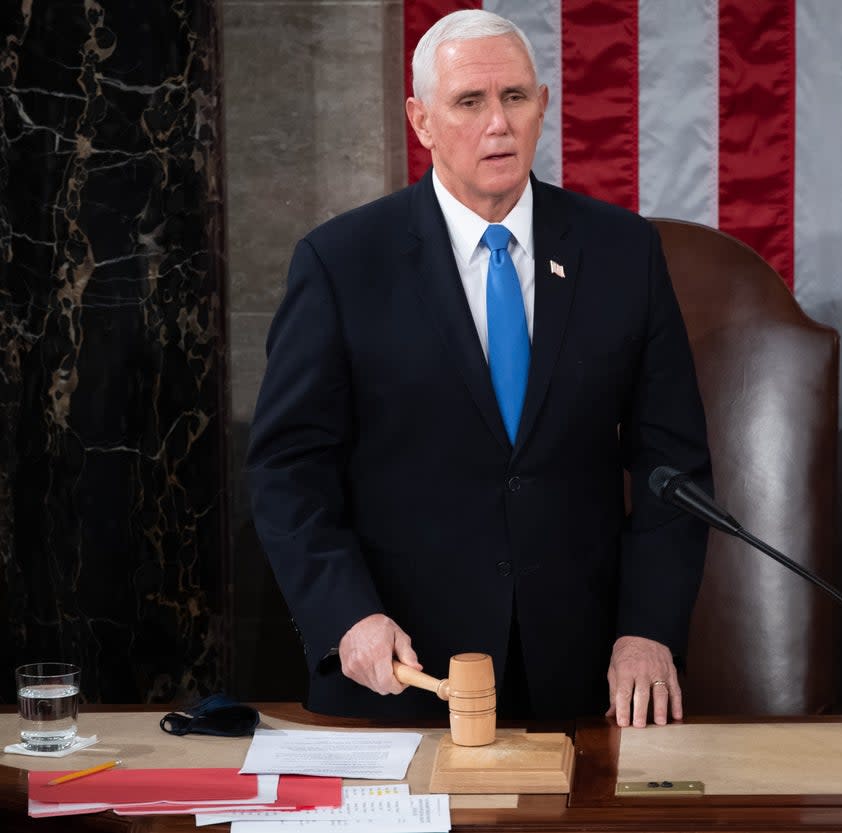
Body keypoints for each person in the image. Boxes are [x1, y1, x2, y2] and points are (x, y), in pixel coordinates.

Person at [245, 9, 710, 728]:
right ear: (421, 119)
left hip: (586, 678)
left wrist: (647, 628)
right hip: (403, 672)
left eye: (515, 98)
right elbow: (286, 469)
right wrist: (347, 614)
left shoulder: (622, 253)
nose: (499, 123)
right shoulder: (342, 264)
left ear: (543, 106)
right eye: (470, 101)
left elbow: (671, 464)